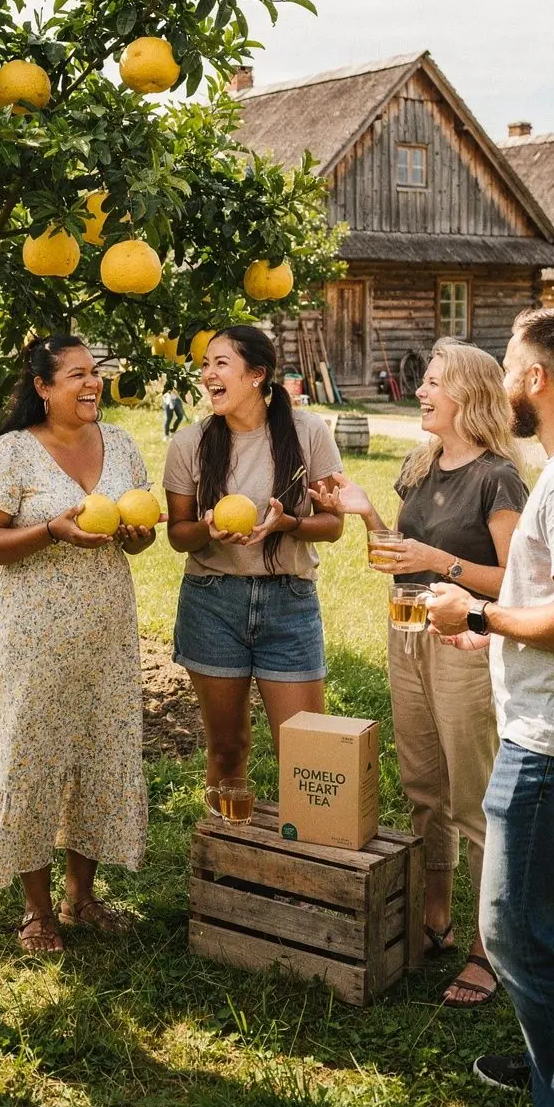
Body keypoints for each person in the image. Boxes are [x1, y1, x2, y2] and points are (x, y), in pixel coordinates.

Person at [312, 339, 528, 1008]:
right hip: (406, 634)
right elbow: (400, 556)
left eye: (435, 381)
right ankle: (435, 916)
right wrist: (366, 513)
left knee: (473, 795)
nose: (422, 390)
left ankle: (489, 948)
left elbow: (512, 584)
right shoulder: (420, 465)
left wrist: (439, 557)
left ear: (469, 395)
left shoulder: (498, 477)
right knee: (423, 785)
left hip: (464, 644)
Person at [0, 335, 157, 954]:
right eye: (74, 375)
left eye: (95, 373)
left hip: (105, 629)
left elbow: (137, 541)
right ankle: (37, 911)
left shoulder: (118, 443)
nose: (91, 384)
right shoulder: (10, 453)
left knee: (97, 749)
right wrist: (50, 530)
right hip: (31, 632)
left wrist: (138, 533)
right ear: (42, 387)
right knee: (32, 755)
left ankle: (81, 895)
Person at [429, 308, 554, 1107]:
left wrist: (478, 608)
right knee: (547, 917)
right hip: (543, 724)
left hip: (547, 742)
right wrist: (491, 625)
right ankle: (548, 1056)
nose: (505, 381)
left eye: (513, 367)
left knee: (514, 928)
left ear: (538, 381)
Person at [163, 326, 344, 793]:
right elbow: (179, 536)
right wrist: (207, 528)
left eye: (220, 363)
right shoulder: (189, 443)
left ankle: (309, 857)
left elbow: (335, 524)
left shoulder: (309, 432)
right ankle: (226, 859)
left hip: (289, 601)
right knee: (227, 749)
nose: (207, 375)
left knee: (308, 755)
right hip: (212, 602)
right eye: (205, 364)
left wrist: (290, 525)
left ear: (257, 375)